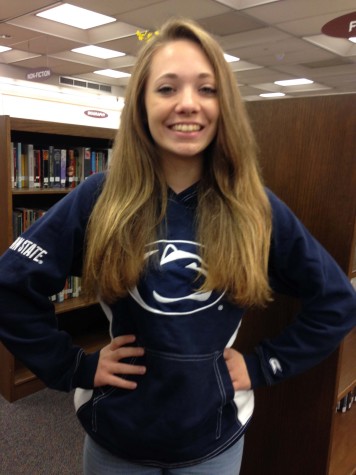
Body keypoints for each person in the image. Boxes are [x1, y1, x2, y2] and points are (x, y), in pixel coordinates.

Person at [0, 17, 355, 475]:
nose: (188, 104)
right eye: (167, 89)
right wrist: (72, 367)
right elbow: (9, 285)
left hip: (213, 436)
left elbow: (336, 301)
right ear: (142, 105)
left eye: (207, 89)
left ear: (224, 104)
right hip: (117, 437)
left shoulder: (253, 208)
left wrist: (265, 365)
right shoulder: (100, 198)